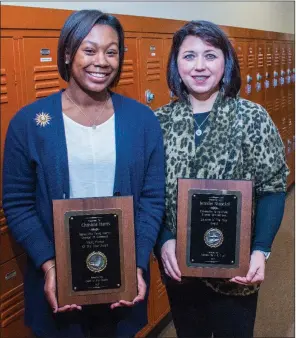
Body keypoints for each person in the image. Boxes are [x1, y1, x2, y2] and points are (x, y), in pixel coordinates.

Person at [2, 9, 165, 338]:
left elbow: (152, 198)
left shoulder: (142, 121)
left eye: (111, 51)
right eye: (89, 50)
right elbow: (17, 202)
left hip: (121, 278)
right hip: (59, 280)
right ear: (67, 53)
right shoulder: (29, 123)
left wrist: (135, 263)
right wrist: (49, 264)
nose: (101, 61)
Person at [154, 20, 289, 338]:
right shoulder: (158, 122)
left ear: (226, 61)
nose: (199, 66)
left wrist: (261, 250)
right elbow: (150, 195)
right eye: (189, 56)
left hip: (236, 269)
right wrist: (164, 240)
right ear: (176, 63)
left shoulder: (253, 118)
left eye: (210, 55)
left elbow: (272, 187)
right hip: (180, 269)